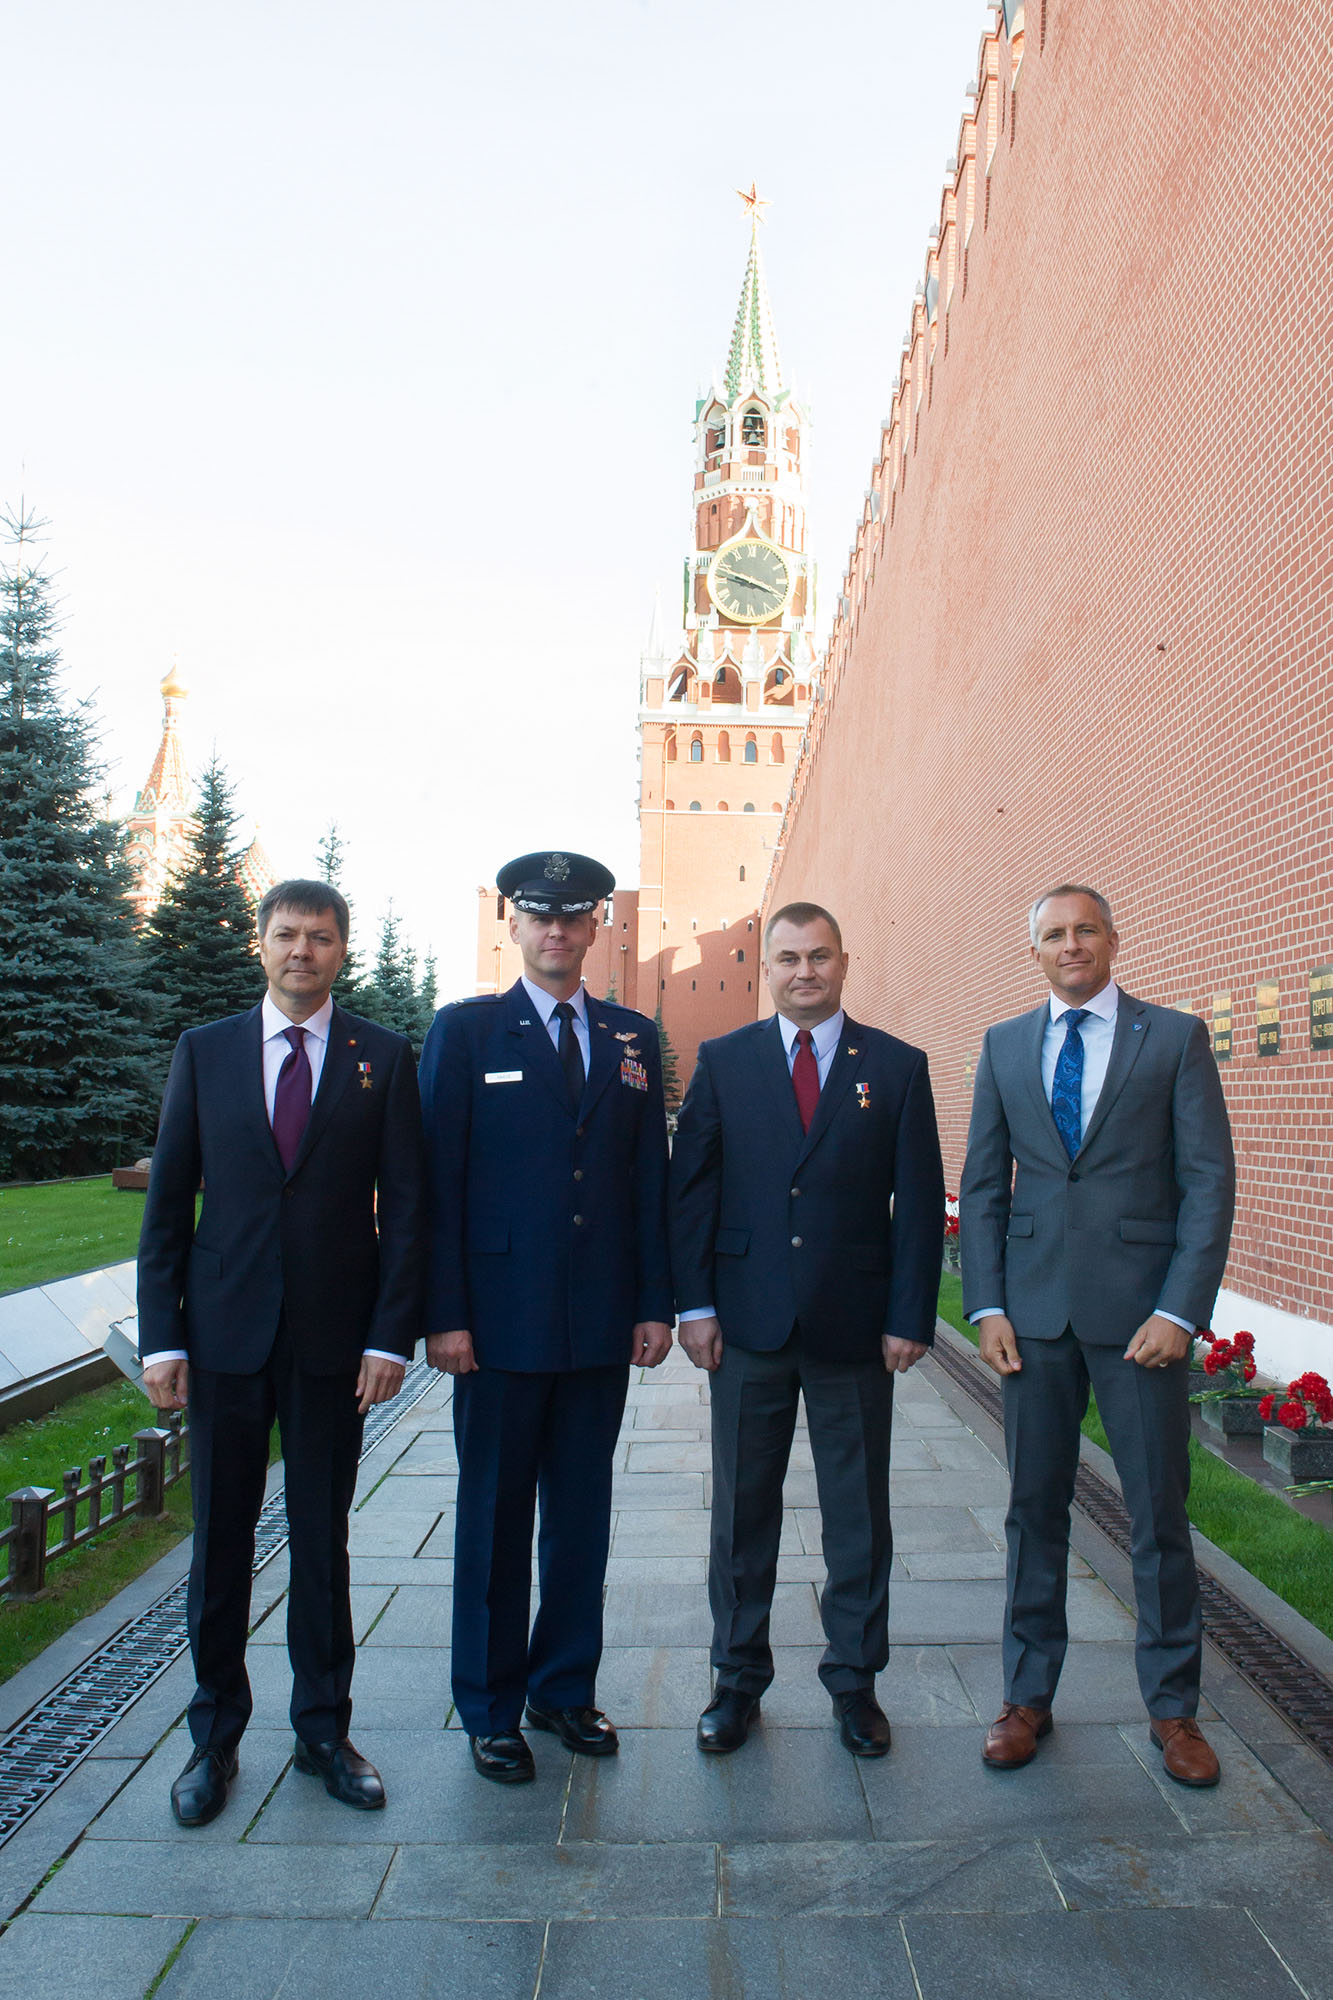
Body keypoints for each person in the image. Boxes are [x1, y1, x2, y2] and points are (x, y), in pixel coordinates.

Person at [137, 879, 425, 1827]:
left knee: (322, 1546)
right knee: (220, 1545)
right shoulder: (206, 1052)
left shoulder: (381, 1057)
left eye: (322, 937)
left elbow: (408, 1211)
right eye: (287, 935)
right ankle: (212, 1739)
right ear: (260, 945)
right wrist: (163, 1338)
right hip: (220, 1339)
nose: (304, 951)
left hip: (331, 1346)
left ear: (343, 950)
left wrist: (390, 1336)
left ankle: (322, 1733)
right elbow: (168, 1205)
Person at [960, 884, 1235, 1786]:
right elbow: (986, 1189)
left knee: (1156, 1516)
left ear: (1112, 939)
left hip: (1139, 1324)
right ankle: (1025, 1698)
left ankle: (1172, 1712)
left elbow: (1207, 1182)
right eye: (1052, 935)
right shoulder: (1003, 1046)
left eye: (1084, 931)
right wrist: (986, 1304)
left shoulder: (1174, 1038)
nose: (1069, 946)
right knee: (1031, 1514)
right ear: (1032, 950)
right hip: (1030, 1320)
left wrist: (1178, 1310)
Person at [418, 851, 673, 1783]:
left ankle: (563, 1688)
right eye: (539, 916)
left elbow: (649, 1181)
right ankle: (488, 1704)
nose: (556, 930)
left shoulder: (633, 1037)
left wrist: (654, 1303)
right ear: (512, 925)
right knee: (492, 1517)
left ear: (596, 925)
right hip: (493, 1326)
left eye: (573, 915)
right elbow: (434, 1185)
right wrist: (444, 1315)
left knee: (581, 1515)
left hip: (600, 1322)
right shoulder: (468, 1031)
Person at [670, 901, 945, 1757]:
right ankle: (735, 1681)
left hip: (853, 1329)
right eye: (787, 958)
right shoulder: (723, 1061)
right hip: (745, 1327)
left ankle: (855, 1683)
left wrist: (909, 1316)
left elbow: (916, 1206)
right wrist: (696, 1307)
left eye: (818, 957)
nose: (803, 972)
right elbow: (692, 1192)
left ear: (843, 963)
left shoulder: (896, 1067)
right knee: (742, 1513)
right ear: (768, 969)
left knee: (856, 1514)